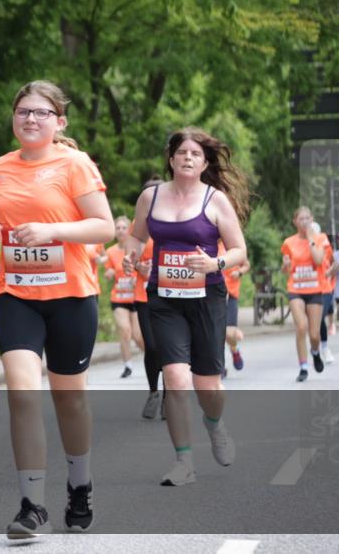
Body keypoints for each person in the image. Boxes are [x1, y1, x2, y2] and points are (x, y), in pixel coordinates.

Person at [0, 80, 114, 537]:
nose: (30, 119)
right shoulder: (0, 167)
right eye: (23, 112)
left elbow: (104, 228)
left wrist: (54, 232)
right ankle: (32, 505)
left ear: (60, 122)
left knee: (70, 400)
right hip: (17, 294)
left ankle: (80, 486)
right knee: (23, 392)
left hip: (71, 297)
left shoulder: (75, 164)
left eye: (40, 113)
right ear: (14, 118)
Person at [125, 127, 249, 487]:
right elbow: (137, 235)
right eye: (182, 153)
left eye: (196, 154)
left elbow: (239, 249)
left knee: (207, 386)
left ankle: (215, 425)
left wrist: (216, 264)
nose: (188, 158)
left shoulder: (215, 200)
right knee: (176, 379)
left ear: (205, 161)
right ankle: (184, 463)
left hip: (207, 298)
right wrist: (132, 254)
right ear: (171, 159)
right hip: (164, 298)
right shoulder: (151, 197)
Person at [281, 208, 330, 382]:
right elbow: (285, 269)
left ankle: (315, 352)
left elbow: (318, 260)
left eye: (307, 218)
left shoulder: (321, 238)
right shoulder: (289, 242)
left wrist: (310, 238)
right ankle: (303, 366)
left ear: (312, 219)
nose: (304, 222)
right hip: (296, 289)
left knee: (315, 334)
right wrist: (285, 265)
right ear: (295, 221)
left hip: (315, 290)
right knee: (301, 326)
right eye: (301, 219)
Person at [133, 177, 165, 420]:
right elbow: (128, 258)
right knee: (152, 346)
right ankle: (154, 391)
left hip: (171, 293)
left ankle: (169, 396)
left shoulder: (175, 220)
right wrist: (136, 266)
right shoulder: (137, 224)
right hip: (143, 294)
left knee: (169, 348)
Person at [103, 216, 144, 378]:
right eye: (117, 228)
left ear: (129, 230)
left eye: (123, 227)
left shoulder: (136, 249)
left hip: (136, 297)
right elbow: (108, 271)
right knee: (124, 331)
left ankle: (151, 358)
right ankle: (127, 365)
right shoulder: (110, 251)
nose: (120, 230)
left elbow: (143, 268)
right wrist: (109, 273)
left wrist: (139, 275)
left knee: (138, 335)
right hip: (119, 298)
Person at [220, 241, 250, 373]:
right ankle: (220, 367)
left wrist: (239, 272)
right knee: (216, 332)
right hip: (216, 293)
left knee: (230, 332)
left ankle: (234, 349)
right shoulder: (210, 243)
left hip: (232, 292)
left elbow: (246, 265)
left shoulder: (234, 245)